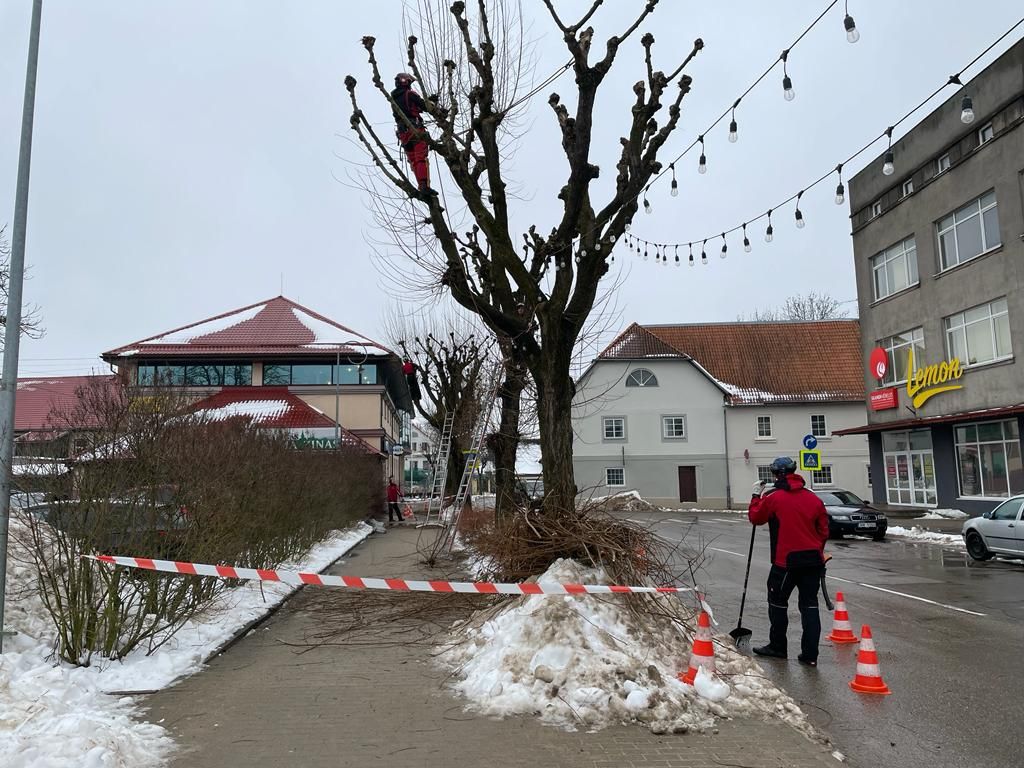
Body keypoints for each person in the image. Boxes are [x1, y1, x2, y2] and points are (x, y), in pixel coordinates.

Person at [747, 456, 830, 666]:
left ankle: (778, 647)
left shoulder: (774, 498)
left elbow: (756, 518)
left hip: (785, 563)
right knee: (810, 606)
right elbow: (824, 531)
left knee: (777, 604)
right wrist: (817, 550)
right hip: (812, 561)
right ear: (795, 472)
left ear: (776, 475)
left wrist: (755, 496)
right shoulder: (814, 499)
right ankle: (810, 655)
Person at [391, 72, 434, 196]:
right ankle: (424, 186)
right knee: (420, 158)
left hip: (403, 134)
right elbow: (424, 106)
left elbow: (406, 110)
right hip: (414, 129)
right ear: (407, 82)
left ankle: (421, 186)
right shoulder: (410, 94)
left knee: (414, 161)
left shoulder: (393, 98)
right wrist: (436, 108)